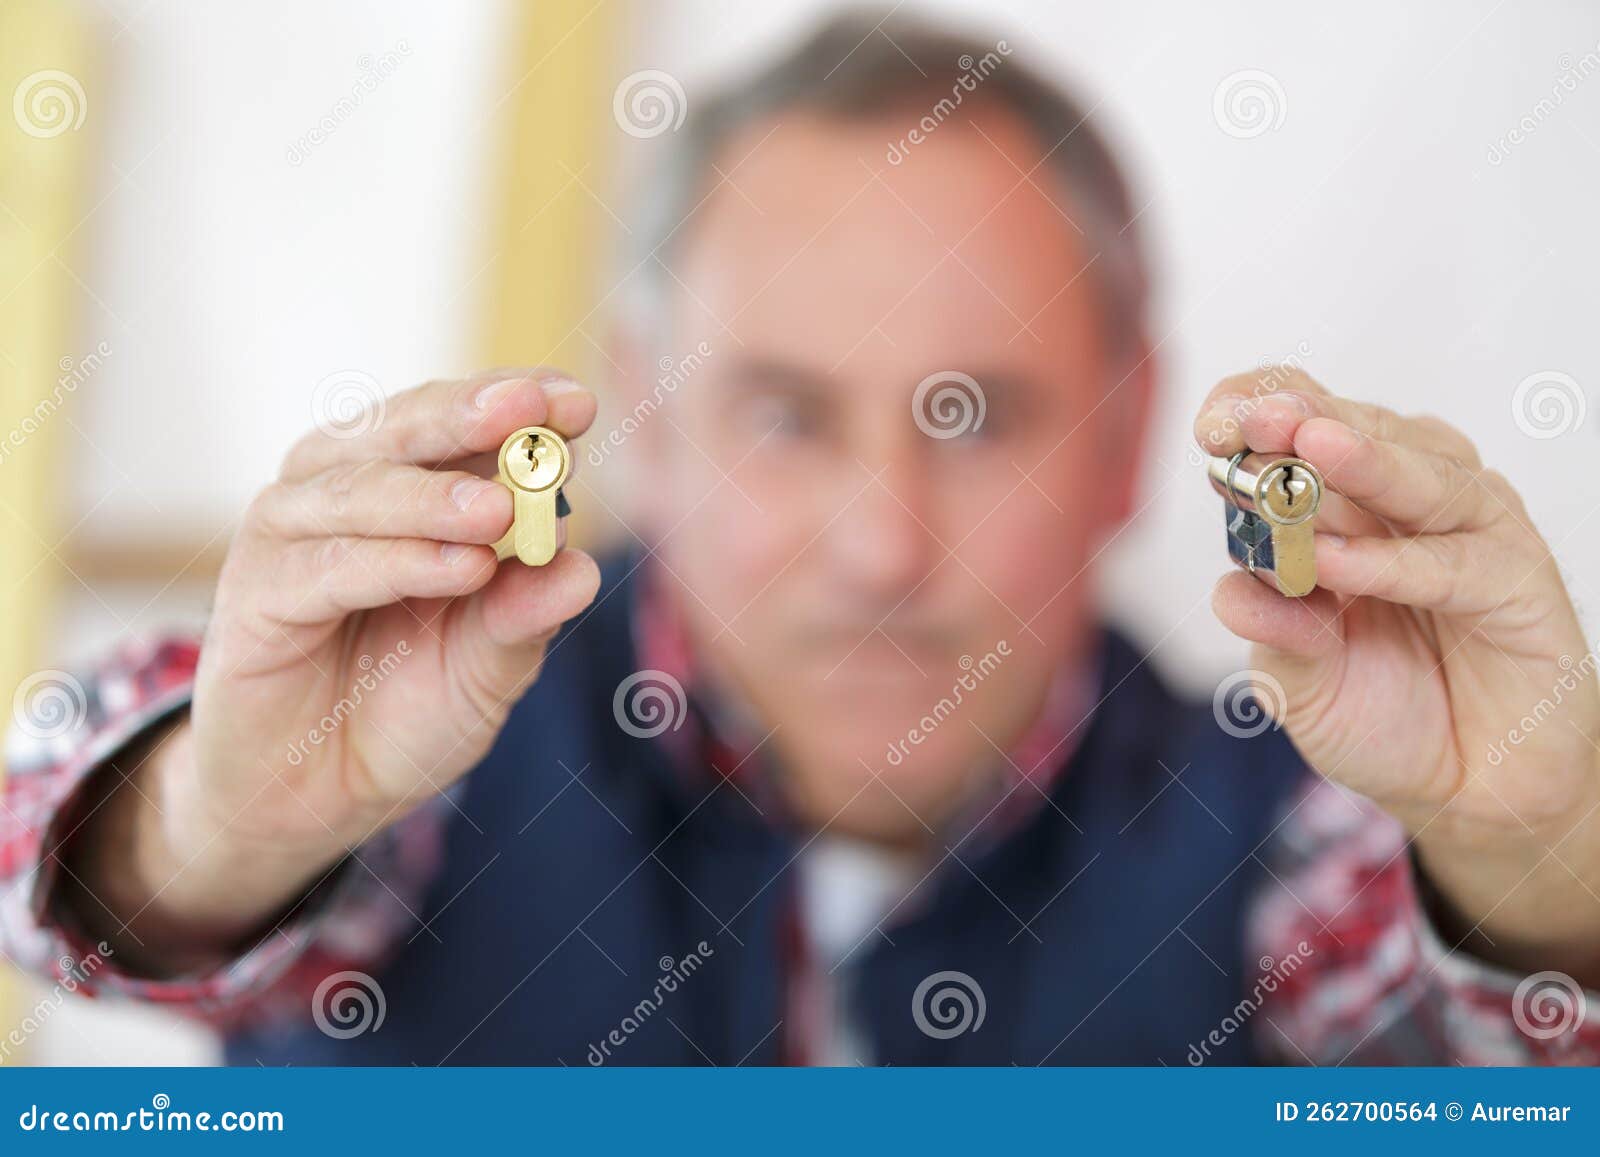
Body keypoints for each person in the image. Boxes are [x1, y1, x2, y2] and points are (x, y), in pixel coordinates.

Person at [3, 10, 1598, 1066]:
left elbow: (1483, 1014)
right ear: (650, 414)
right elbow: (40, 847)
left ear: (1128, 438)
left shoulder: (1291, 830)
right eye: (782, 413)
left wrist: (1544, 867)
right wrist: (211, 826)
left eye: (973, 415)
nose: (879, 547)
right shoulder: (422, 767)